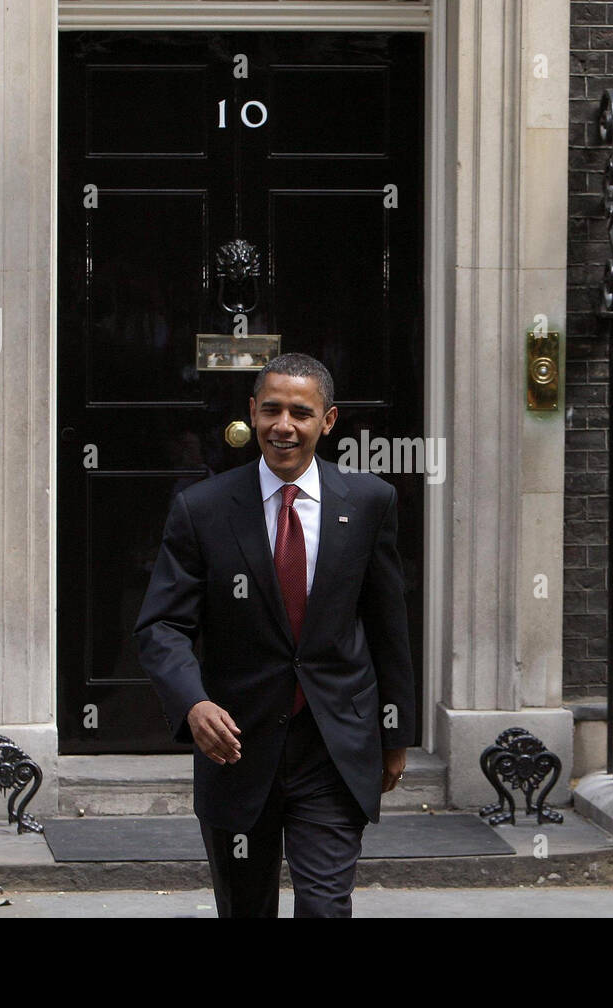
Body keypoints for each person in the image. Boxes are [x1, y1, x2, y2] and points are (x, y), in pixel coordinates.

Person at [134, 352, 416, 917]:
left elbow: (388, 626)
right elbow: (162, 624)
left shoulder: (368, 503)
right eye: (271, 410)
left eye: (300, 413)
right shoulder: (203, 508)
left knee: (325, 906)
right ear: (252, 414)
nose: (283, 426)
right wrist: (192, 703)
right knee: (245, 908)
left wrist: (395, 734)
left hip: (333, 744)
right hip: (236, 746)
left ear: (327, 421)